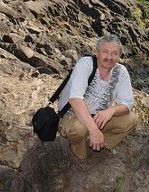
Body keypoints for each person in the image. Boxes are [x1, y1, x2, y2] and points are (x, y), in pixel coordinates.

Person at [58, 34, 138, 169]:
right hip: (72, 116)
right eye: (105, 52)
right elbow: (75, 100)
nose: (109, 57)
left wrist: (112, 110)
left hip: (97, 116)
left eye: (114, 53)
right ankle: (78, 152)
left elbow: (128, 103)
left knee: (131, 119)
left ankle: (99, 143)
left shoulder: (121, 72)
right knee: (79, 128)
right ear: (97, 53)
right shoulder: (85, 64)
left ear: (119, 56)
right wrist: (94, 130)